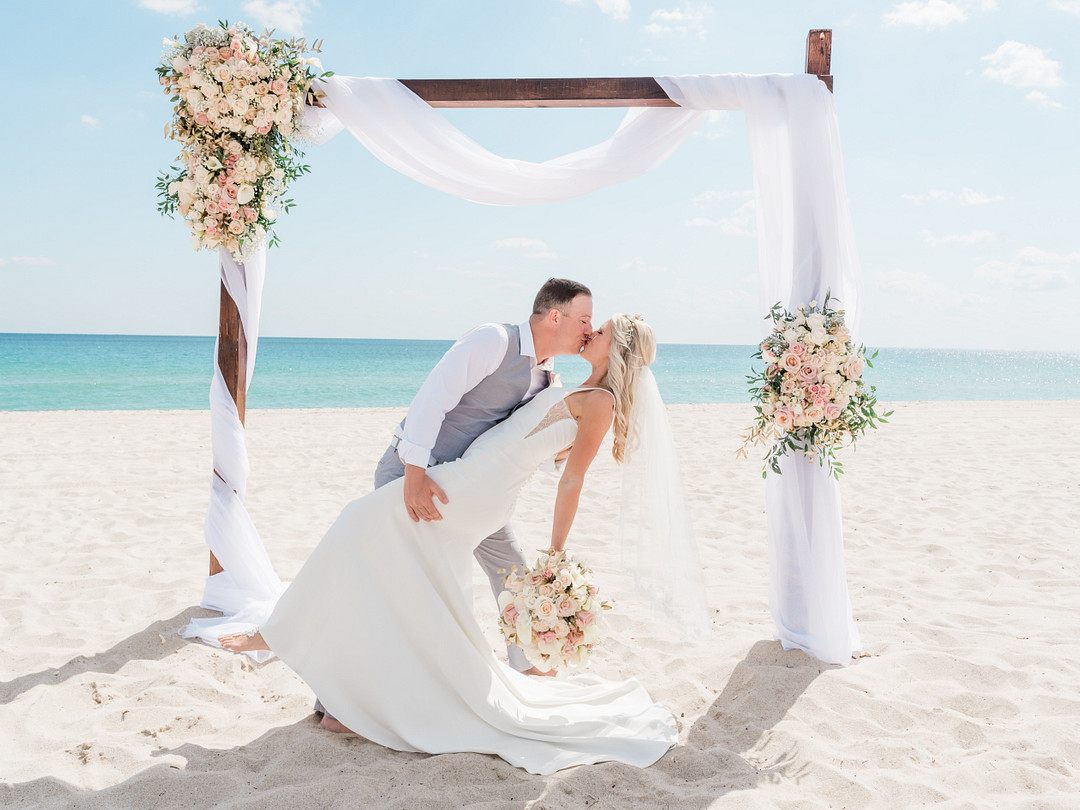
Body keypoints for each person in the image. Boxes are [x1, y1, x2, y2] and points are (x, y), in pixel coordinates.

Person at [220, 314, 688, 775]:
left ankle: (278, 635)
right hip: (474, 480)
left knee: (356, 524)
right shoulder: (564, 384)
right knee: (406, 579)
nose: (591, 332)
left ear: (617, 350)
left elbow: (571, 481)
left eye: (600, 330)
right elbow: (535, 441)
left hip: (472, 488)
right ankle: (341, 689)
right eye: (589, 322)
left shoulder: (601, 402)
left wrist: (556, 552)